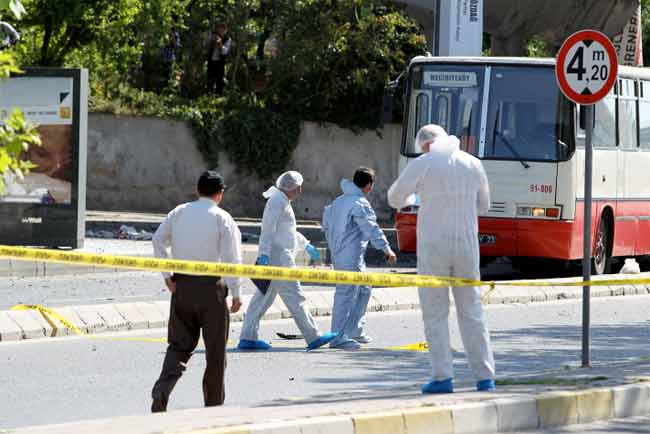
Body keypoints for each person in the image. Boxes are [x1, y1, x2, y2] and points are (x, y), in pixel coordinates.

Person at [387, 124, 496, 394]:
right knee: (472, 312)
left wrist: (417, 196)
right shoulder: (472, 163)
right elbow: (485, 206)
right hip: (468, 247)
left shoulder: (424, 163)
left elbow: (394, 197)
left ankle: (442, 376)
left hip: (434, 246)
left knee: (435, 313)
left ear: (424, 144)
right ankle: (485, 377)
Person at [150, 171, 243, 412]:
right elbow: (232, 258)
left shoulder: (178, 212)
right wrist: (236, 291)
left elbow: (158, 240)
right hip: (211, 289)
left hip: (182, 287)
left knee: (178, 346)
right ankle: (212, 407)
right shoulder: (222, 218)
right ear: (220, 194)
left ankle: (162, 390)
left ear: (197, 189)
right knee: (215, 352)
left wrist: (167, 275)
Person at [238, 171, 337, 351]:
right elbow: (268, 229)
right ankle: (313, 336)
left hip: (278, 256)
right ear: (296, 187)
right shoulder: (277, 201)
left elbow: (287, 231)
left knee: (262, 298)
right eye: (300, 186)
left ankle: (248, 337)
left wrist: (306, 245)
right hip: (279, 258)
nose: (301, 189)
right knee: (295, 296)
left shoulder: (281, 200)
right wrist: (264, 254)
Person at [322, 167, 396, 350]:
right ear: (369, 185)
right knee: (346, 294)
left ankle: (354, 330)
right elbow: (371, 228)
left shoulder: (339, 201)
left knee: (363, 288)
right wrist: (386, 249)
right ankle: (338, 337)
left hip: (342, 253)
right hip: (350, 256)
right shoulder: (359, 203)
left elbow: (326, 225)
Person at [206, 22, 231, 95]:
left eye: (223, 29)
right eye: (219, 28)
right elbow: (206, 45)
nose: (221, 30)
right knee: (210, 78)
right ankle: (208, 94)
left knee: (219, 79)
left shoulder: (227, 39)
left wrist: (220, 44)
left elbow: (225, 52)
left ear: (226, 30)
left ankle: (218, 95)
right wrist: (212, 41)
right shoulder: (212, 35)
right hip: (211, 61)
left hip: (220, 62)